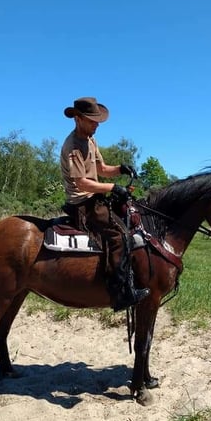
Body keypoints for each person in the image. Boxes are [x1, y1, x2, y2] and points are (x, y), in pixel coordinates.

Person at [59, 96, 150, 312]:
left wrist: (121, 169)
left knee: (131, 215)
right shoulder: (73, 146)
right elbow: (82, 182)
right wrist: (112, 188)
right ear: (78, 119)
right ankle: (119, 292)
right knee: (119, 235)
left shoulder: (90, 140)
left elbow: (101, 169)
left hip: (94, 197)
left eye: (97, 120)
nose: (96, 124)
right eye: (92, 120)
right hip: (81, 201)